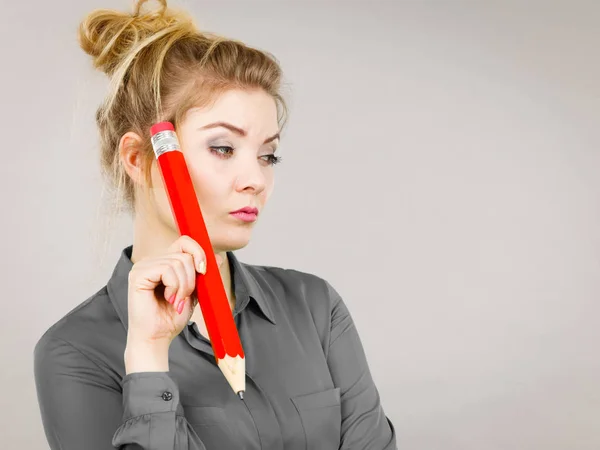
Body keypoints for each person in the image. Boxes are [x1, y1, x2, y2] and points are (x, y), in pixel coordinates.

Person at [33, 0, 398, 449]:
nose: (255, 180)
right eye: (223, 148)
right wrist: (147, 358)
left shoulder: (315, 308)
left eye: (268, 155)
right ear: (138, 159)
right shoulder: (75, 352)